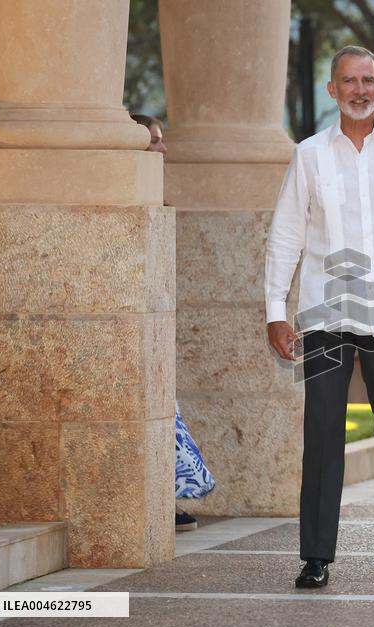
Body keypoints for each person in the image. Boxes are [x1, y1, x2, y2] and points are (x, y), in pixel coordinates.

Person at [264, 46, 374, 589]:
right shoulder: (309, 155)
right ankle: (316, 555)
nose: (359, 90)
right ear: (333, 89)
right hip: (325, 315)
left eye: (368, 80)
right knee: (322, 433)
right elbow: (286, 235)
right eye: (349, 81)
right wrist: (275, 311)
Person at [130, 113, 215, 531]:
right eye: (154, 140)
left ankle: (167, 499)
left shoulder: (155, 199)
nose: (162, 148)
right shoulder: (130, 199)